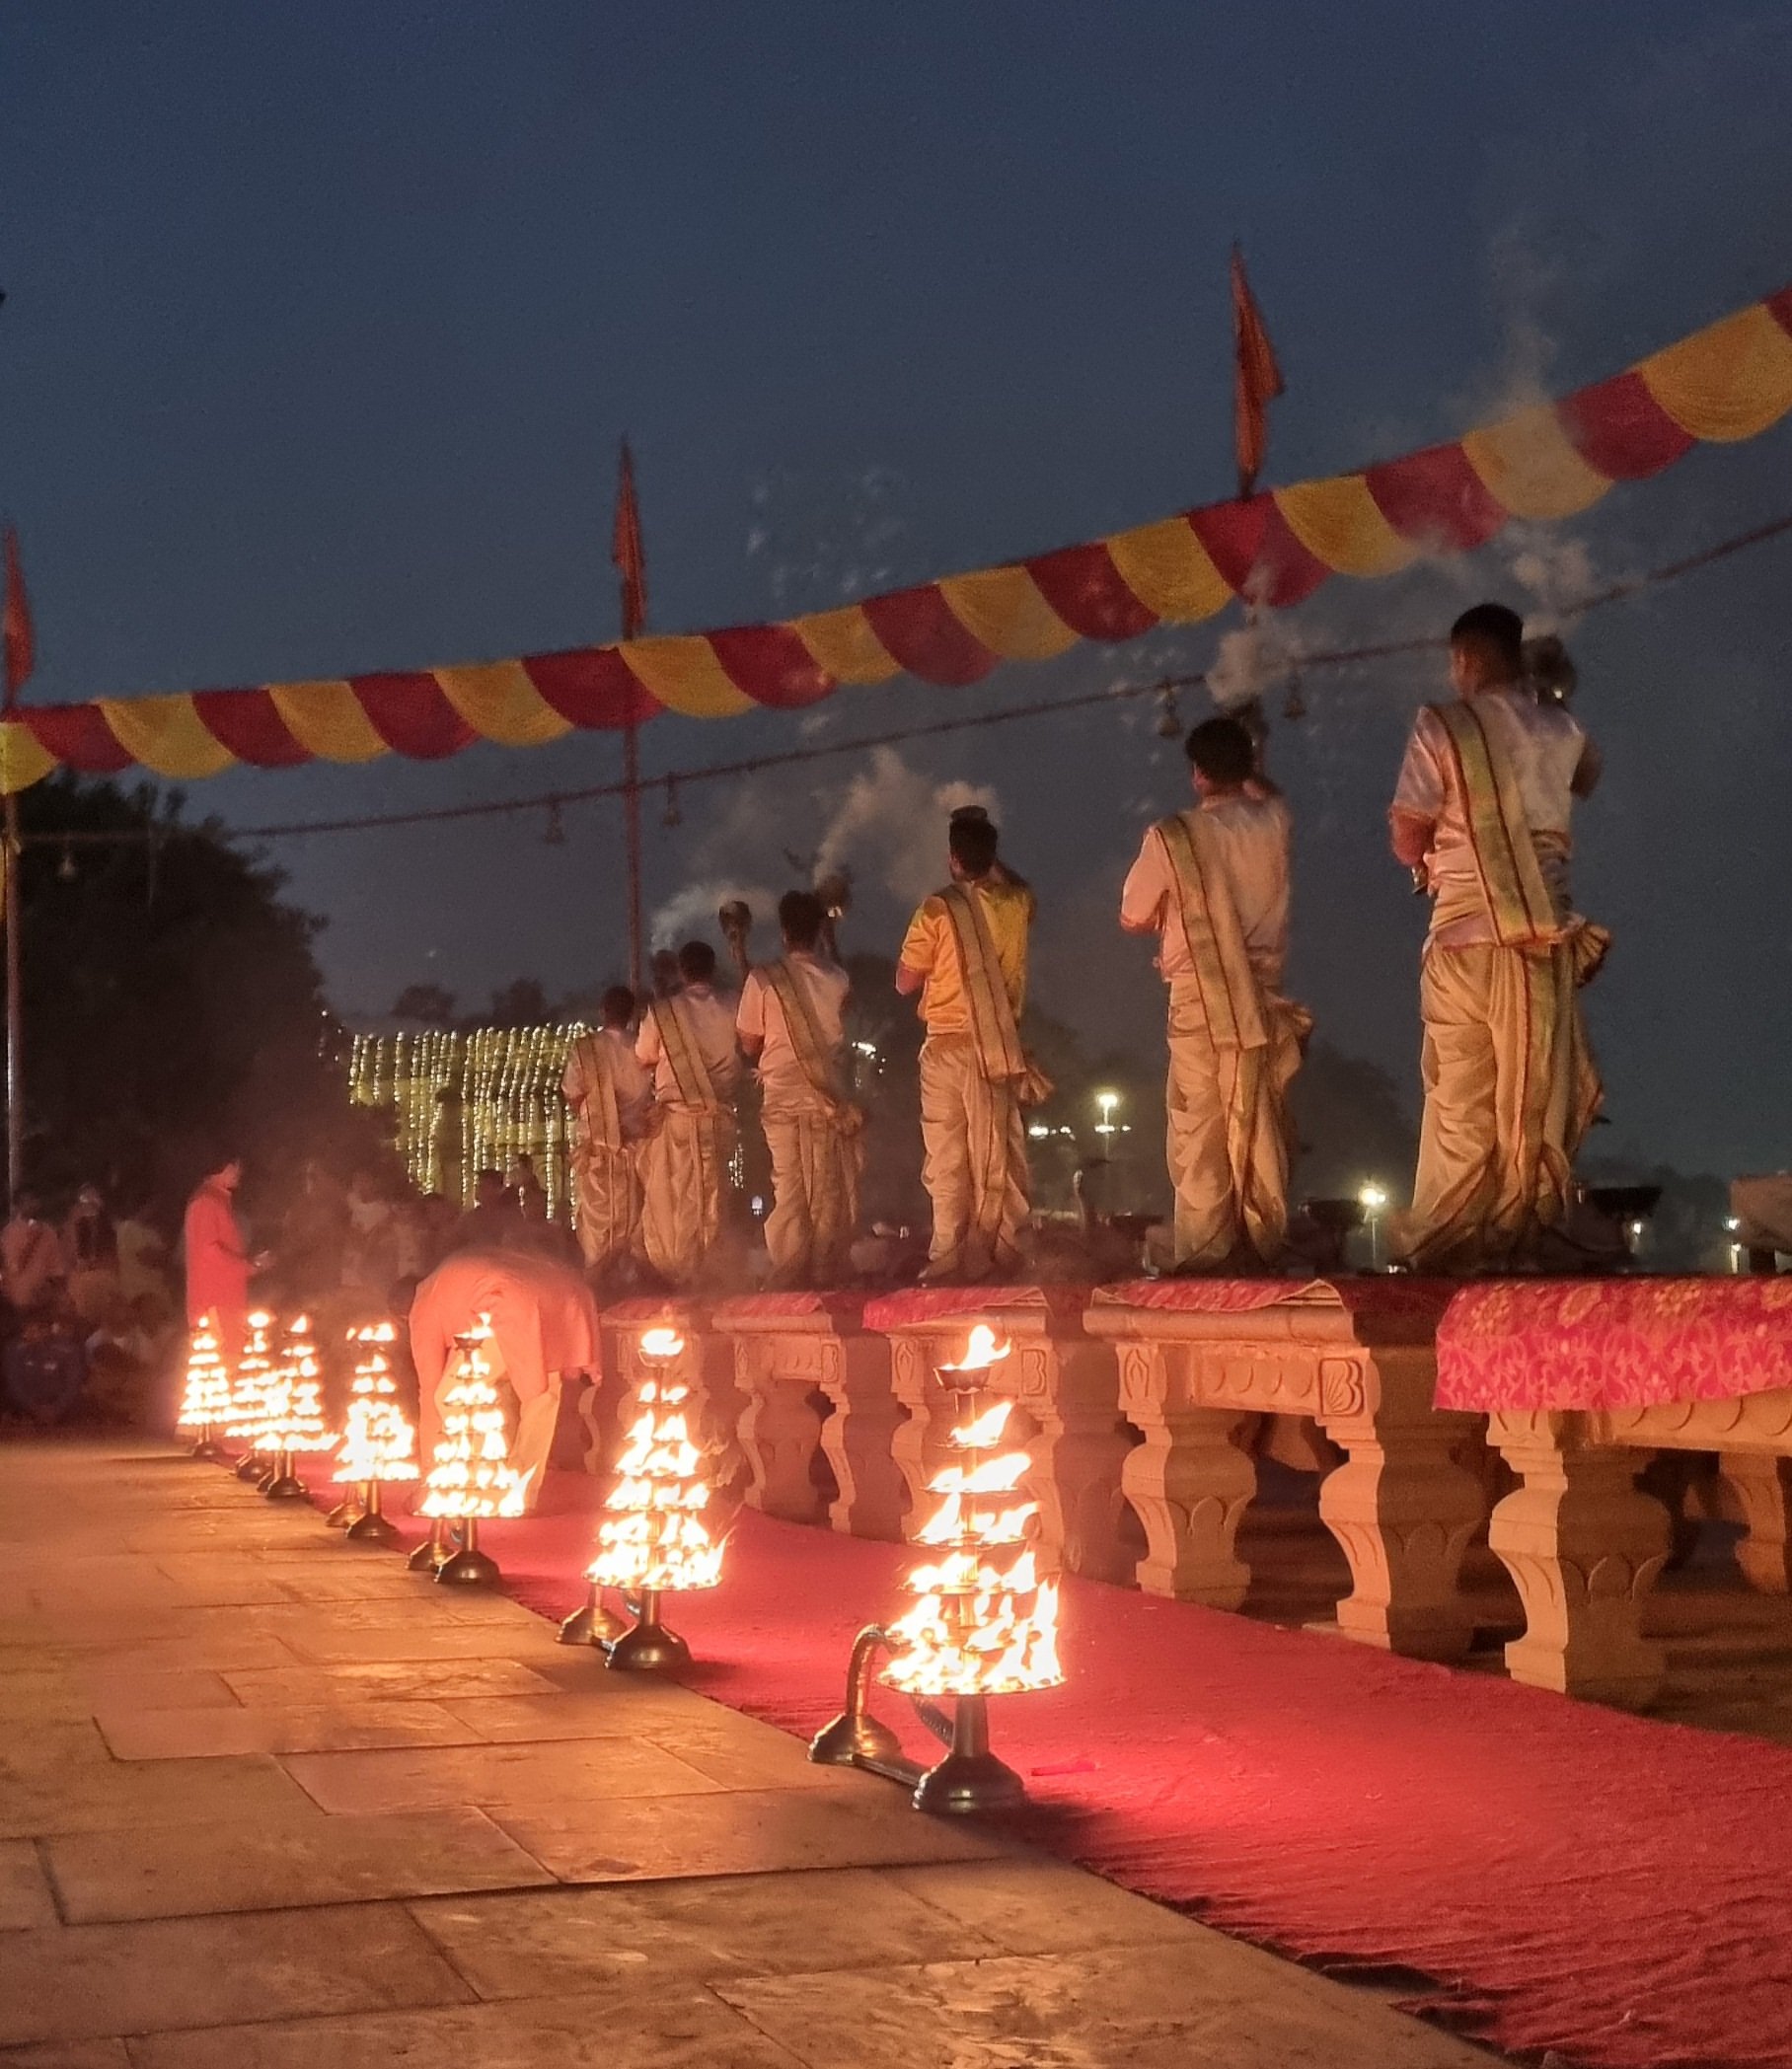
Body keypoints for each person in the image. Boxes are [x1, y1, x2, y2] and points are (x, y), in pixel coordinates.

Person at [1387, 603, 1606, 1273]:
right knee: (1532, 1101)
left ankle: (1450, 1242)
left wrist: (1424, 860)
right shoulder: (1561, 726)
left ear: (1466, 659)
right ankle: (1519, 1238)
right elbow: (1588, 775)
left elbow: (1406, 832)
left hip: (1460, 940)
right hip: (1539, 944)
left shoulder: (1443, 724)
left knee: (1459, 1097)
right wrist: (1551, 695)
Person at [1121, 715, 1311, 1271]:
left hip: (1200, 1001)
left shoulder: (1172, 837)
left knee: (1200, 1128)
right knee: (1260, 1124)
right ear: (1251, 767)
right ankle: (1263, 1245)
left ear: (1197, 774)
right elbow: (1270, 794)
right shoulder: (1274, 820)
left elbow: (1132, 916)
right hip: (1263, 998)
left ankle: (1206, 1256)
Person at [896, 807, 1046, 1284]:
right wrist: (989, 863)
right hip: (995, 1048)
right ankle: (1002, 1254)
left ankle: (946, 1256)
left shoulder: (937, 908)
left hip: (944, 1047)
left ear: (952, 859)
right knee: (997, 1154)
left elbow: (904, 982)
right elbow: (1019, 888)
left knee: (946, 1157)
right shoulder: (1016, 903)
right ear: (993, 856)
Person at [405, 1246, 600, 1511]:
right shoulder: (450, 1274)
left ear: (402, 1313)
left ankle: (476, 1484)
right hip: (566, 1295)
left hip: (511, 1302)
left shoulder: (424, 1303)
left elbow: (429, 1390)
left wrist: (430, 1476)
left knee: (450, 1397)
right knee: (542, 1398)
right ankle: (522, 1492)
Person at [738, 890, 861, 1288]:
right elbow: (847, 1004)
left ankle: (791, 1270)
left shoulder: (762, 979)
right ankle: (826, 1268)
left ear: (784, 933)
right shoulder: (837, 978)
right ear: (819, 930)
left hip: (783, 1099)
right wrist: (833, 937)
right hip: (828, 1099)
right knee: (826, 1185)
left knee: (789, 1184)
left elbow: (747, 1043)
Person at [635, 940, 742, 1287]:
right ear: (712, 969)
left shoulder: (663, 1012)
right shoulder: (732, 1005)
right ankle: (708, 1274)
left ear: (682, 971)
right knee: (712, 1195)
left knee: (672, 1200)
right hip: (717, 1119)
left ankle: (679, 1277)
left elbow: (643, 1057)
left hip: (677, 1120)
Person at [562, 986, 652, 1286]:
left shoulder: (586, 1049)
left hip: (598, 1154)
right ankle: (627, 1280)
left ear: (603, 1011)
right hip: (637, 1149)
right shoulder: (643, 1048)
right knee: (633, 1216)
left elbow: (573, 1096)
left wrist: (600, 1119)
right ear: (631, 1015)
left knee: (597, 1222)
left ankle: (598, 1282)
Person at [182, 1157, 253, 1362]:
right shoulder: (205, 1202)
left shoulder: (217, 1199)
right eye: (235, 1165)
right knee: (219, 1364)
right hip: (214, 1301)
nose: (240, 1171)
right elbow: (210, 1252)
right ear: (221, 1166)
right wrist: (249, 1266)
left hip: (227, 1298)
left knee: (233, 1357)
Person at [1, 1193, 68, 1318]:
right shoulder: (9, 1233)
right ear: (17, 1206)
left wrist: (53, 1292)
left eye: (34, 1200)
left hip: (43, 1301)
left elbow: (57, 1269)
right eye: (26, 1201)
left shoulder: (48, 1232)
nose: (31, 1205)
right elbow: (12, 1267)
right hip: (16, 1301)